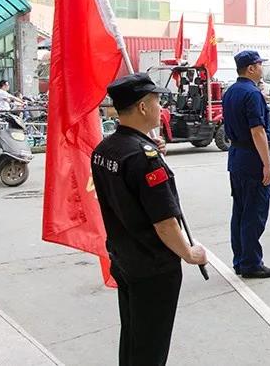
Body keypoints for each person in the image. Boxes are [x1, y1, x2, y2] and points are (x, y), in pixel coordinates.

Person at [91, 73, 208, 365]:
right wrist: (190, 253)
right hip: (152, 266)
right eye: (157, 102)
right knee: (150, 348)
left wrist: (148, 147)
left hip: (123, 257)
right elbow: (165, 223)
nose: (161, 108)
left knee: (133, 337)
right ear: (143, 107)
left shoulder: (105, 149)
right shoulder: (144, 158)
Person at [222, 50, 270, 279]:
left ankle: (240, 260)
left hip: (236, 157)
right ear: (251, 68)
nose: (262, 68)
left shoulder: (230, 92)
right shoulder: (252, 93)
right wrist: (267, 164)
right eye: (259, 64)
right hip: (252, 158)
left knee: (240, 211)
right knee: (254, 213)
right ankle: (251, 263)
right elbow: (257, 131)